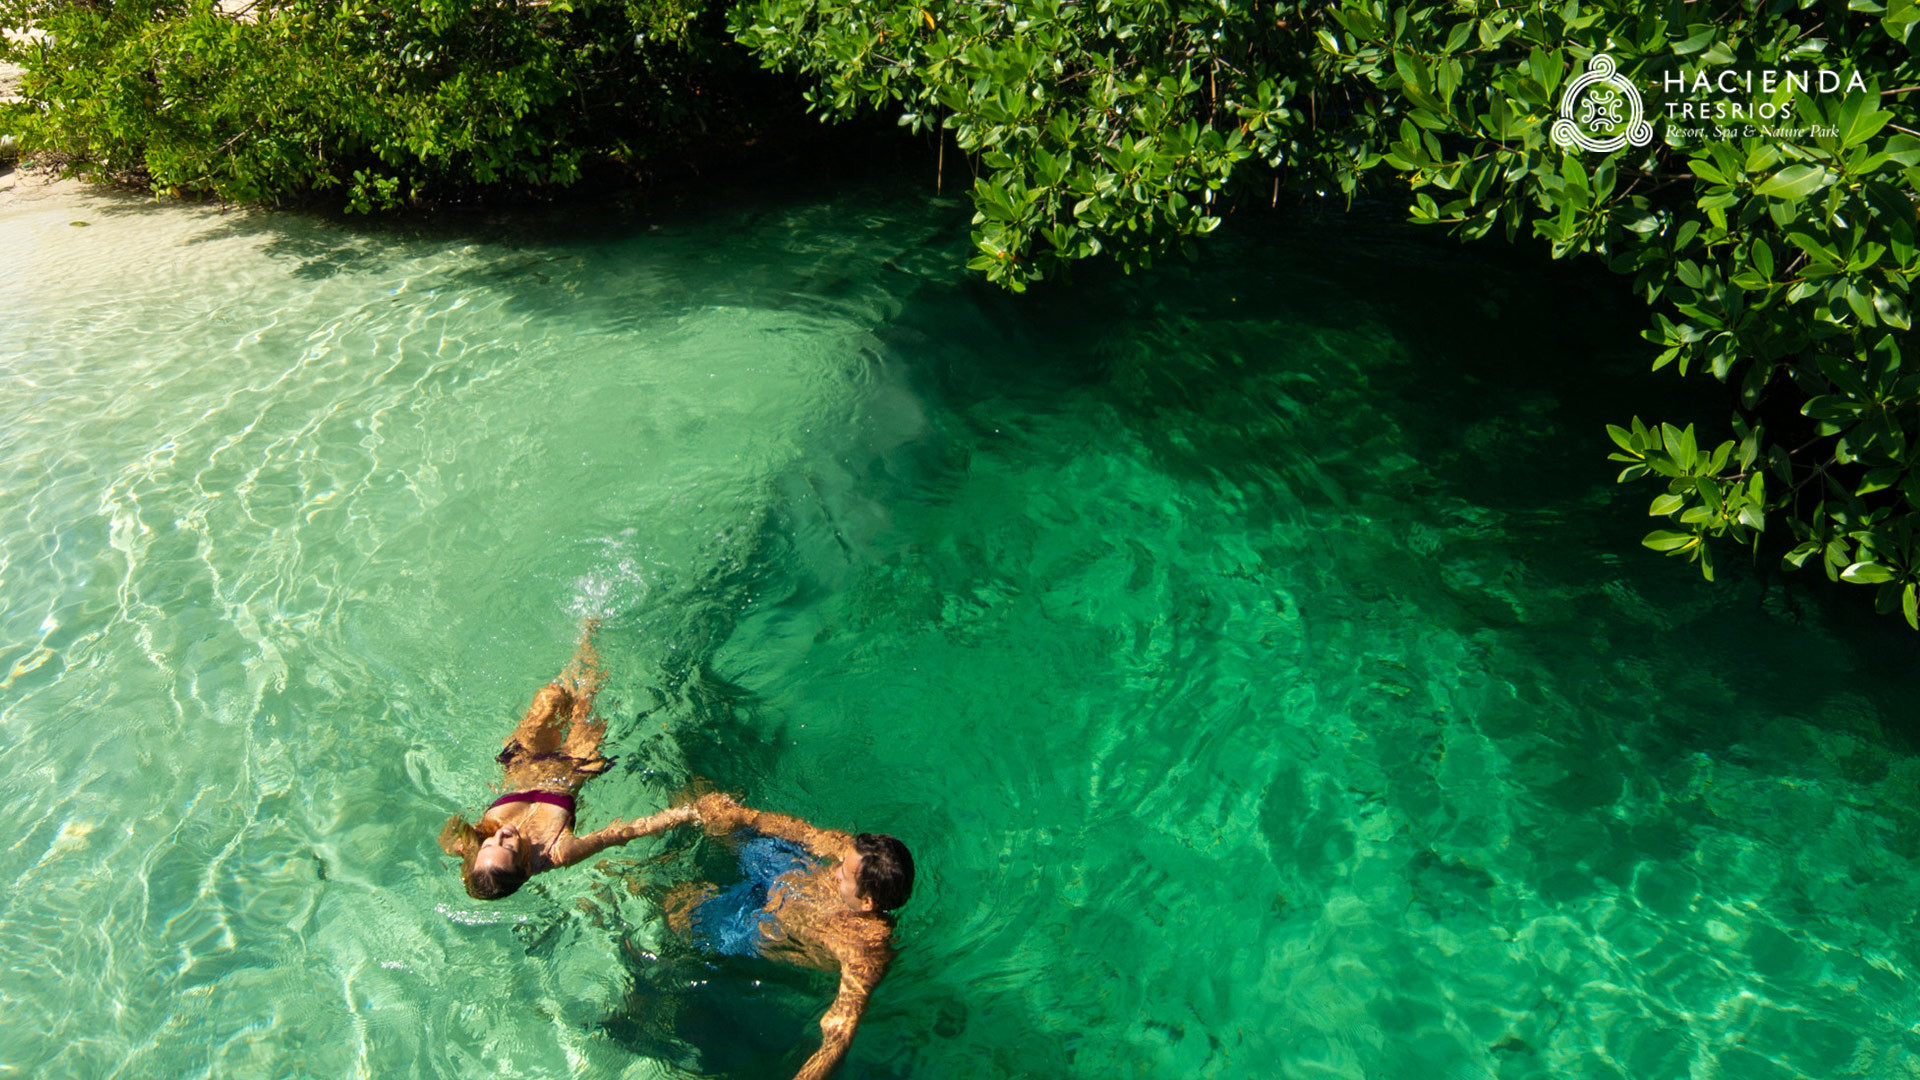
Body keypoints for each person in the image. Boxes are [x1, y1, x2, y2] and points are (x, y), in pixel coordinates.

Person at [669, 791, 915, 1080]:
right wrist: (743, 816)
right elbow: (800, 831)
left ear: (868, 903)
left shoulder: (864, 952)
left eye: (844, 874)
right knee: (713, 813)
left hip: (756, 924)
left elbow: (839, 1035)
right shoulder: (859, 858)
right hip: (783, 870)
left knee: (676, 906)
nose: (835, 871)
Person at [438, 621, 693, 899]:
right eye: (509, 847)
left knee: (551, 697)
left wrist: (455, 841)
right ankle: (594, 637)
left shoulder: (474, 840)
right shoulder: (559, 851)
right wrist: (687, 814)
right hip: (574, 767)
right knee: (586, 704)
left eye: (489, 845)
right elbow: (618, 834)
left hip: (524, 763)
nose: (502, 834)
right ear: (524, 868)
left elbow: (448, 833)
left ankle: (580, 641)